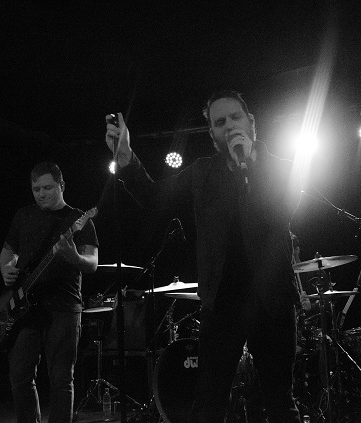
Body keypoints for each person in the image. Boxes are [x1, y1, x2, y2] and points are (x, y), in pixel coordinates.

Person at [105, 90, 301, 423]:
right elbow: (154, 199)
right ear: (211, 133)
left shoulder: (283, 168)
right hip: (222, 304)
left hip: (272, 301)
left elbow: (283, 214)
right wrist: (126, 158)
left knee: (280, 402)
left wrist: (253, 167)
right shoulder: (202, 173)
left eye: (235, 117)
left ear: (251, 122)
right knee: (208, 405)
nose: (229, 126)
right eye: (220, 122)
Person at [0, 161, 98, 423]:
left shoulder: (78, 219)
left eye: (48, 188)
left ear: (61, 185)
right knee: (19, 375)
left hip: (64, 307)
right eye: (36, 189)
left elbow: (92, 263)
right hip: (25, 308)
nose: (41, 194)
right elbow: (8, 251)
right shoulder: (23, 215)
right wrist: (6, 268)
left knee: (61, 380)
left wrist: (74, 257)